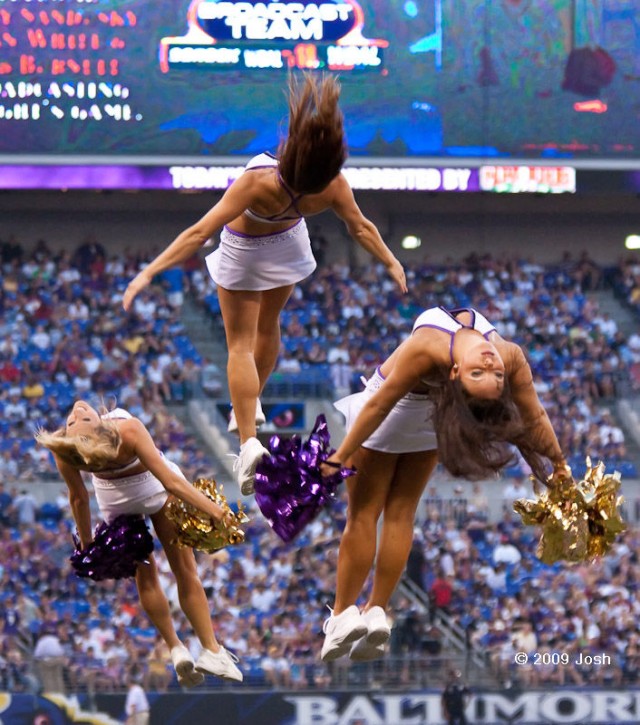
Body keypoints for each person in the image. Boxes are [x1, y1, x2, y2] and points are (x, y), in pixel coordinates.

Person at [122, 74, 406, 496]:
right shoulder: (331, 187)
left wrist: (149, 271)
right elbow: (360, 228)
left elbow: (199, 232)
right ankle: (250, 406)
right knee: (268, 325)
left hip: (244, 247)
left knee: (239, 343)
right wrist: (391, 261)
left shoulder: (259, 181)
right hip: (288, 244)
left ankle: (247, 442)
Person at [319, 306, 569, 662]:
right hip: (431, 419)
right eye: (491, 372)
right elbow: (535, 415)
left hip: (395, 414)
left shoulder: (430, 346)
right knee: (400, 514)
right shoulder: (510, 354)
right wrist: (558, 463)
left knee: (363, 513)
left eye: (482, 371)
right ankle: (376, 610)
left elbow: (378, 405)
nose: (489, 361)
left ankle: (343, 615)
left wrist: (341, 454)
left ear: (455, 373)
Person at [35, 400, 243, 685]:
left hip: (116, 505)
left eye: (74, 419)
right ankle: (211, 649)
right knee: (185, 571)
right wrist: (217, 511)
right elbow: (171, 481)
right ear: (101, 428)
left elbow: (79, 499)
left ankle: (175, 647)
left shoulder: (64, 447)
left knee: (146, 579)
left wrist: (88, 546)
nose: (76, 411)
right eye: (79, 419)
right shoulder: (128, 430)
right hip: (154, 488)